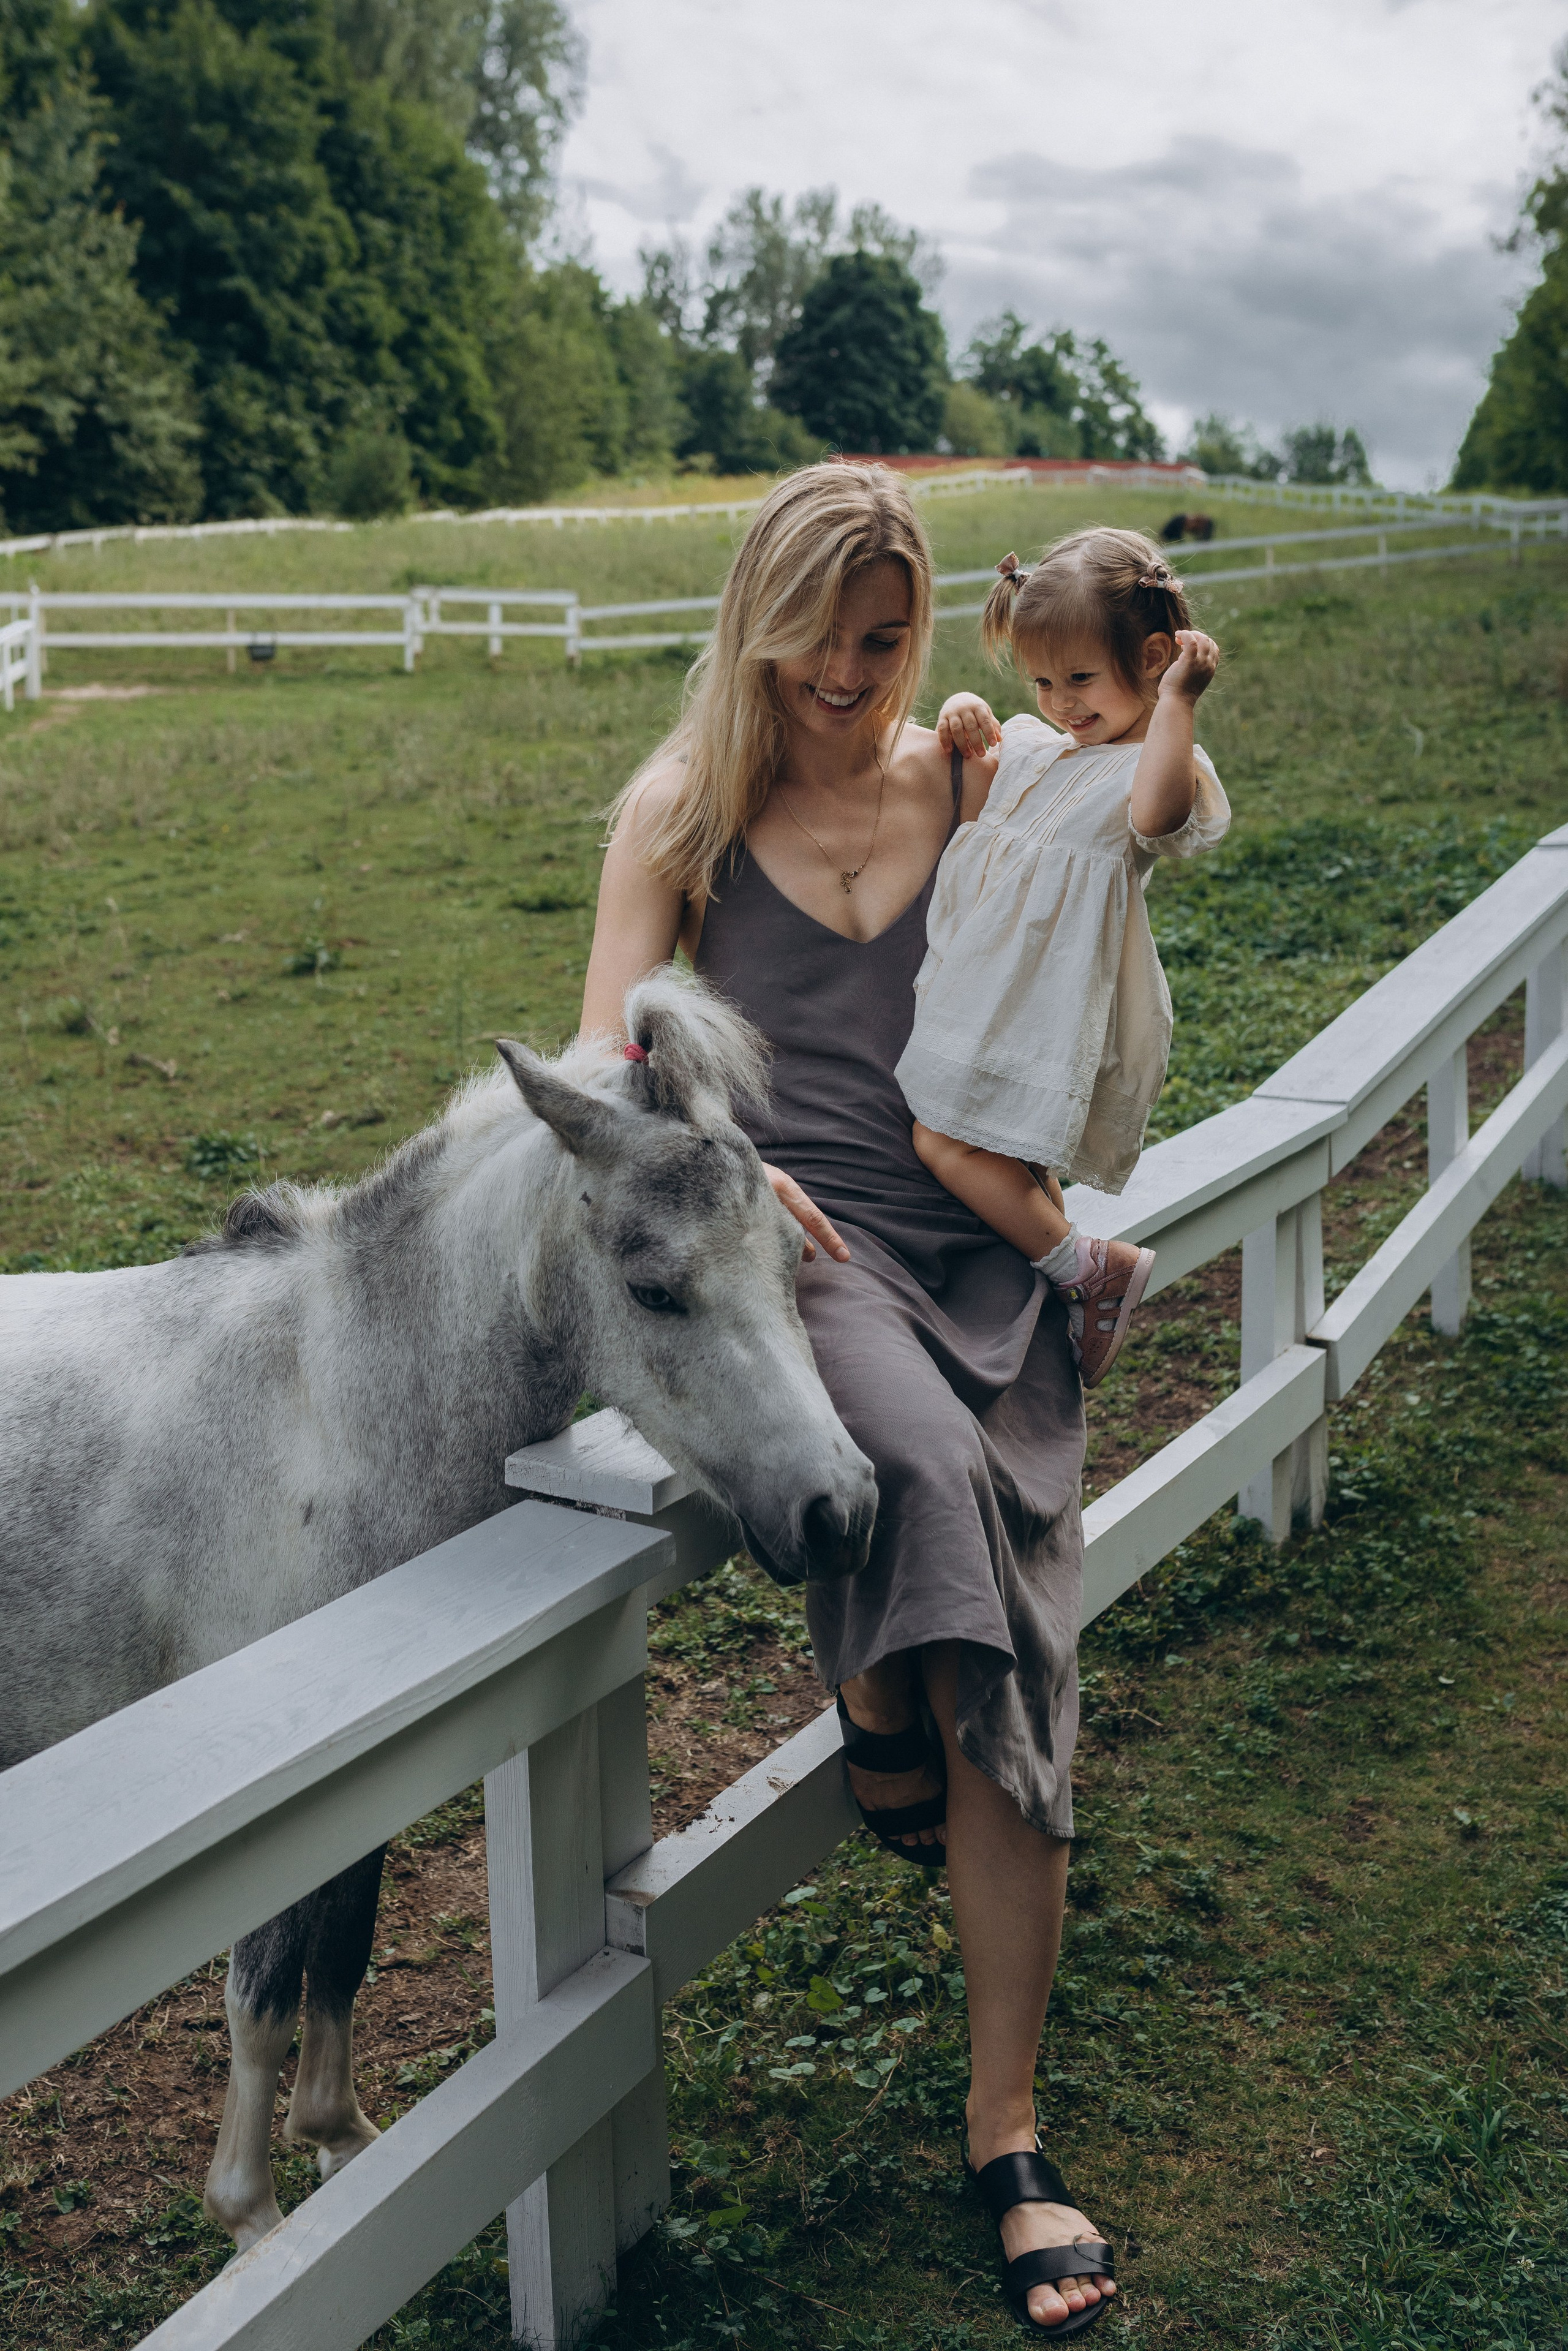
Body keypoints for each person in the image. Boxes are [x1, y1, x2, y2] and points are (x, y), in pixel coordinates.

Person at [583, 462, 1118, 2336]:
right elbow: (599, 1064)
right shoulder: (685, 810)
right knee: (908, 1453)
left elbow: (1135, 837)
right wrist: (721, 1146)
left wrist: (1055, 724)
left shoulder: (965, 769)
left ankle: (1009, 2126)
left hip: (968, 1231)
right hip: (792, 1246)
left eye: (886, 638)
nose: (851, 671)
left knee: (1020, 1626)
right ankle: (879, 1674)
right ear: (759, 617)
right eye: (821, 634)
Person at [897, 529, 1227, 1387]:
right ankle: (1059, 1293)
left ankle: (1088, 1269)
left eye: (1080, 678)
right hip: (983, 996)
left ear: (1153, 658)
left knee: (946, 1142)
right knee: (995, 1152)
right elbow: (974, 808)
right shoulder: (1041, 749)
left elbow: (1157, 817)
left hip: (1040, 1007)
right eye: (1041, 680)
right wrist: (969, 712)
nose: (1059, 702)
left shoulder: (1155, 765)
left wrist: (1179, 700)